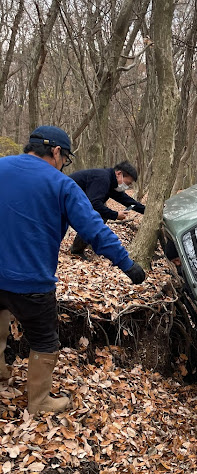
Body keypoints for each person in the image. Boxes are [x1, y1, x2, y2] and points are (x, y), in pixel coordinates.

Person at [0, 125, 146, 415]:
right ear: (56, 152)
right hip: (32, 282)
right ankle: (39, 402)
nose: (64, 164)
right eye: (64, 158)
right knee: (44, 339)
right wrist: (128, 265)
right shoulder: (61, 184)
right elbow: (94, 230)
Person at [69, 161, 145, 257]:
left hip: (74, 202)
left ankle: (79, 248)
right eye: (127, 183)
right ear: (119, 174)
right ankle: (77, 250)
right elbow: (94, 204)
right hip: (65, 200)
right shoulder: (103, 178)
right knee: (99, 215)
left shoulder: (111, 182)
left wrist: (146, 210)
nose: (127, 186)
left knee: (101, 215)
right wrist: (115, 215)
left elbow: (128, 201)